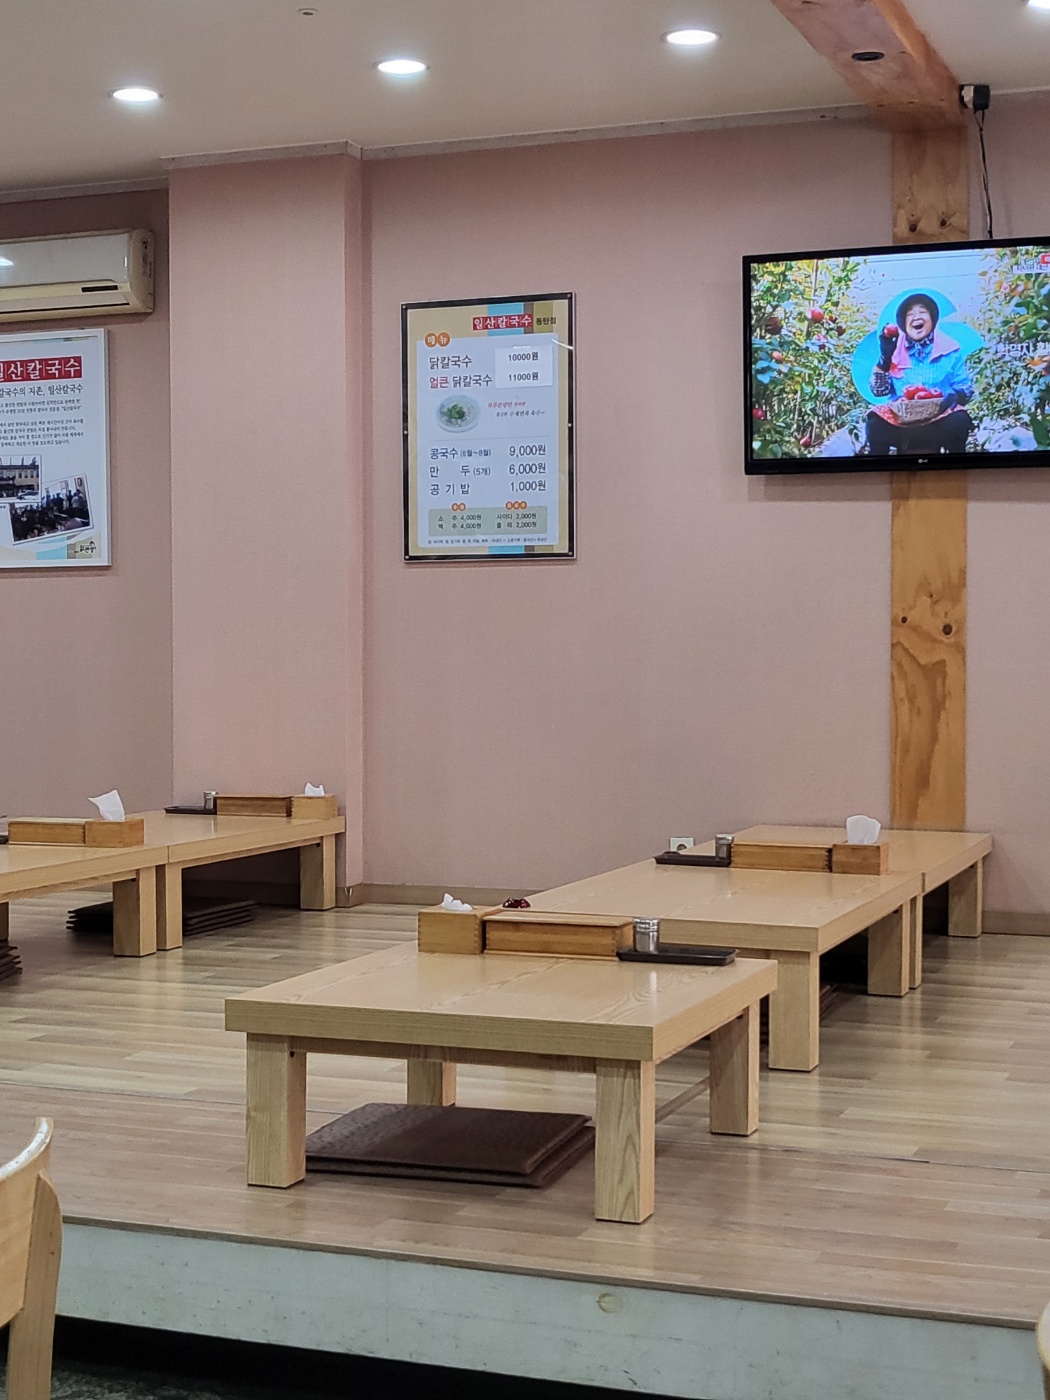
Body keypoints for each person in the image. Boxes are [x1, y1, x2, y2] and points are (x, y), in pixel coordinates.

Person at [865, 292, 975, 456]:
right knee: (874, 423)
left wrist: (954, 395)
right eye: (910, 314)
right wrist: (884, 360)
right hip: (901, 421)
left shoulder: (951, 350)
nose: (916, 317)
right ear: (903, 324)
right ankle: (878, 468)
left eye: (923, 312)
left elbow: (965, 386)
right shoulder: (893, 350)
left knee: (960, 420)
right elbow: (878, 391)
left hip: (939, 419)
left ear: (932, 320)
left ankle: (958, 466)